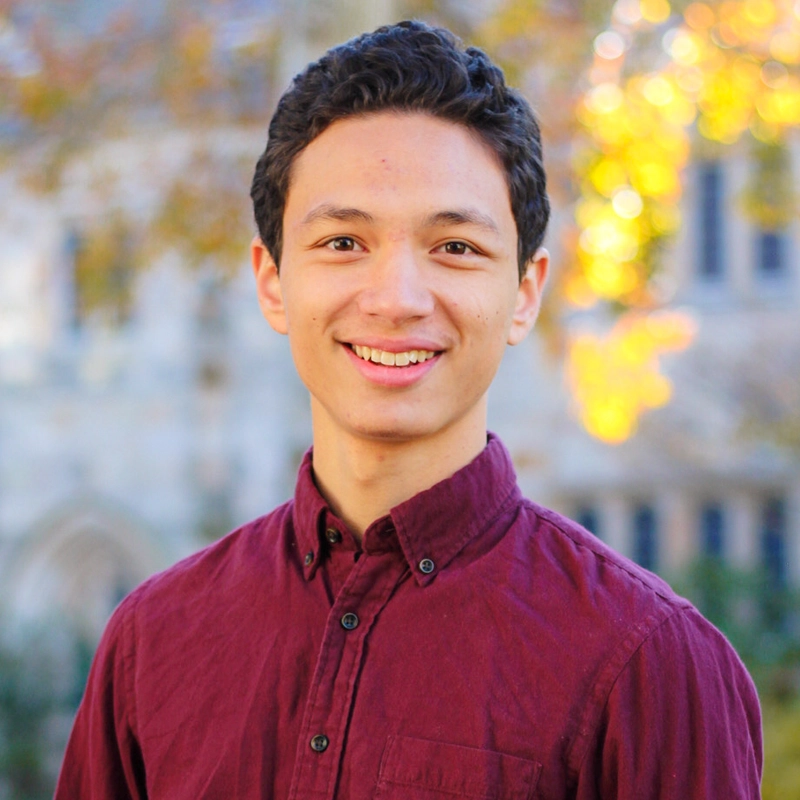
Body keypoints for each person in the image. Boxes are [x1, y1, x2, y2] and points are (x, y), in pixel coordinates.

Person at [55, 19, 762, 800]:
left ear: (524, 294)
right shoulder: (151, 642)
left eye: (455, 248)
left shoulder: (650, 665)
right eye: (343, 243)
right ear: (271, 283)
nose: (395, 300)